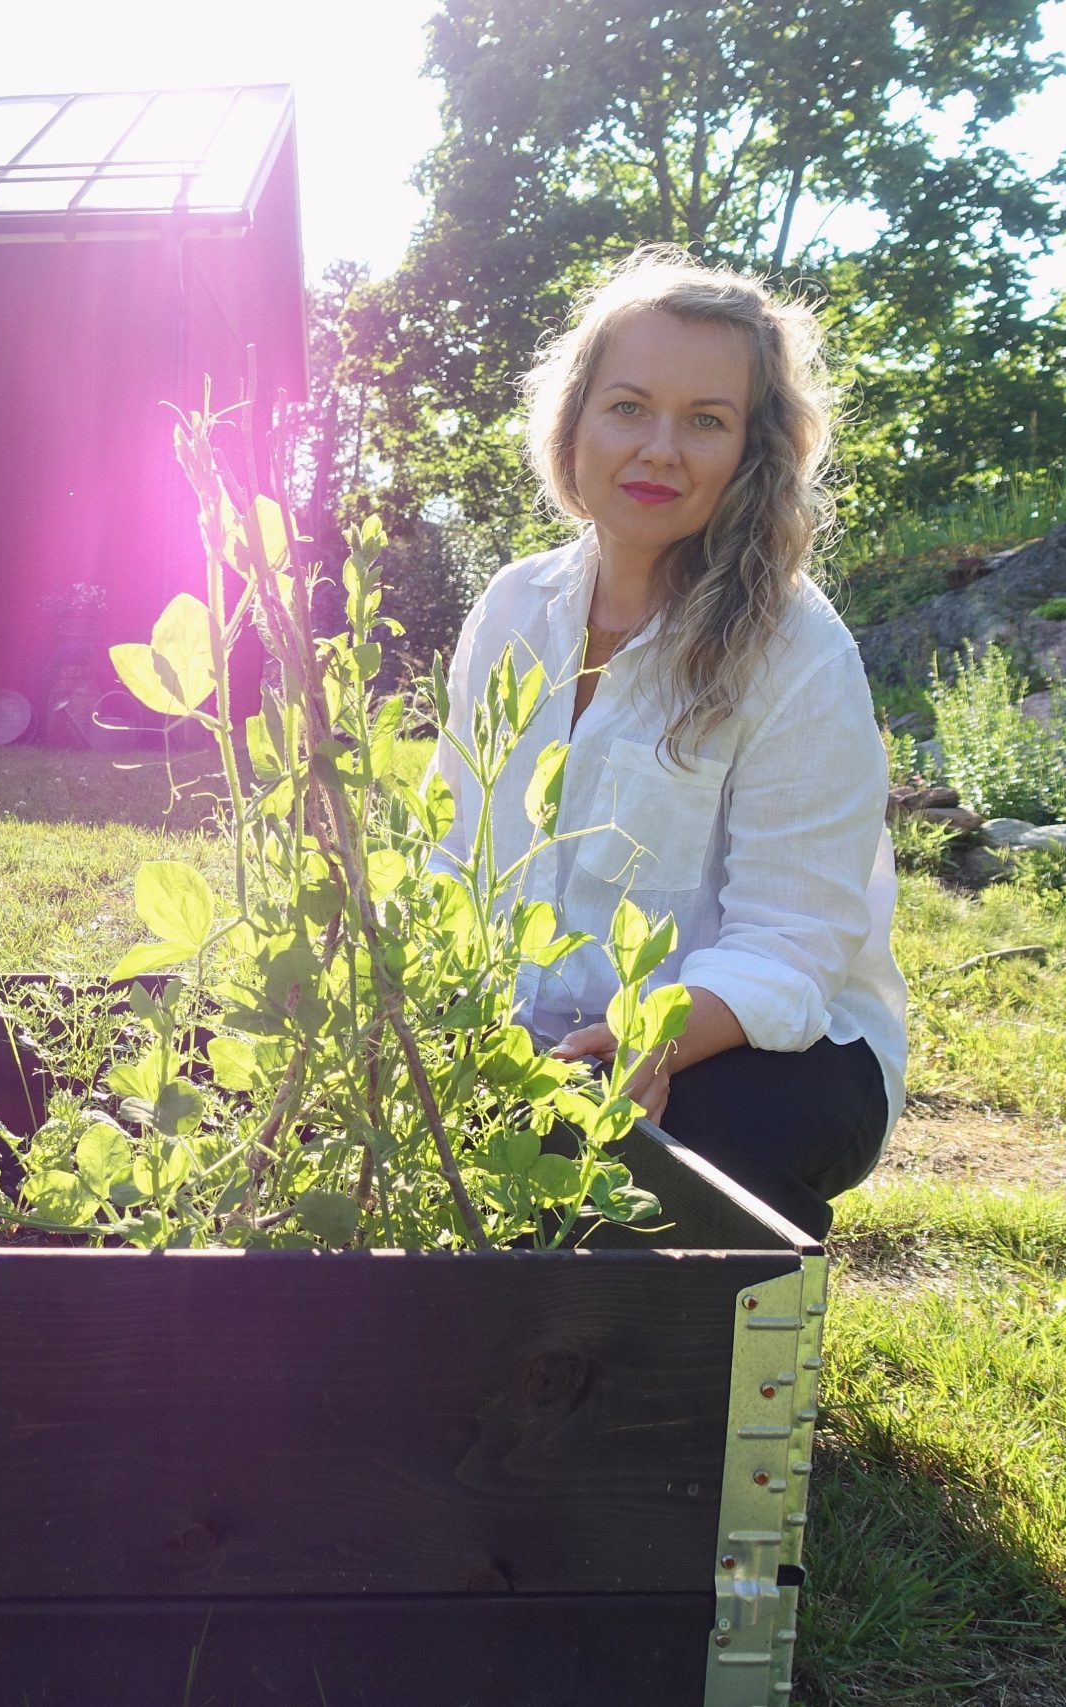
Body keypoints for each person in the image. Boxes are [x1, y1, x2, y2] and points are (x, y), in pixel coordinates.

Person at [432, 245, 905, 1240]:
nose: (659, 449)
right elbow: (457, 850)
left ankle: (717, 1367)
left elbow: (795, 941)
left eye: (705, 421)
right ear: (574, 423)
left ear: (752, 451)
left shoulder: (796, 649)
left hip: (764, 1046)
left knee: (711, 1127)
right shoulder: (514, 607)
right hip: (551, 1034)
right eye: (628, 407)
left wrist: (649, 1040)